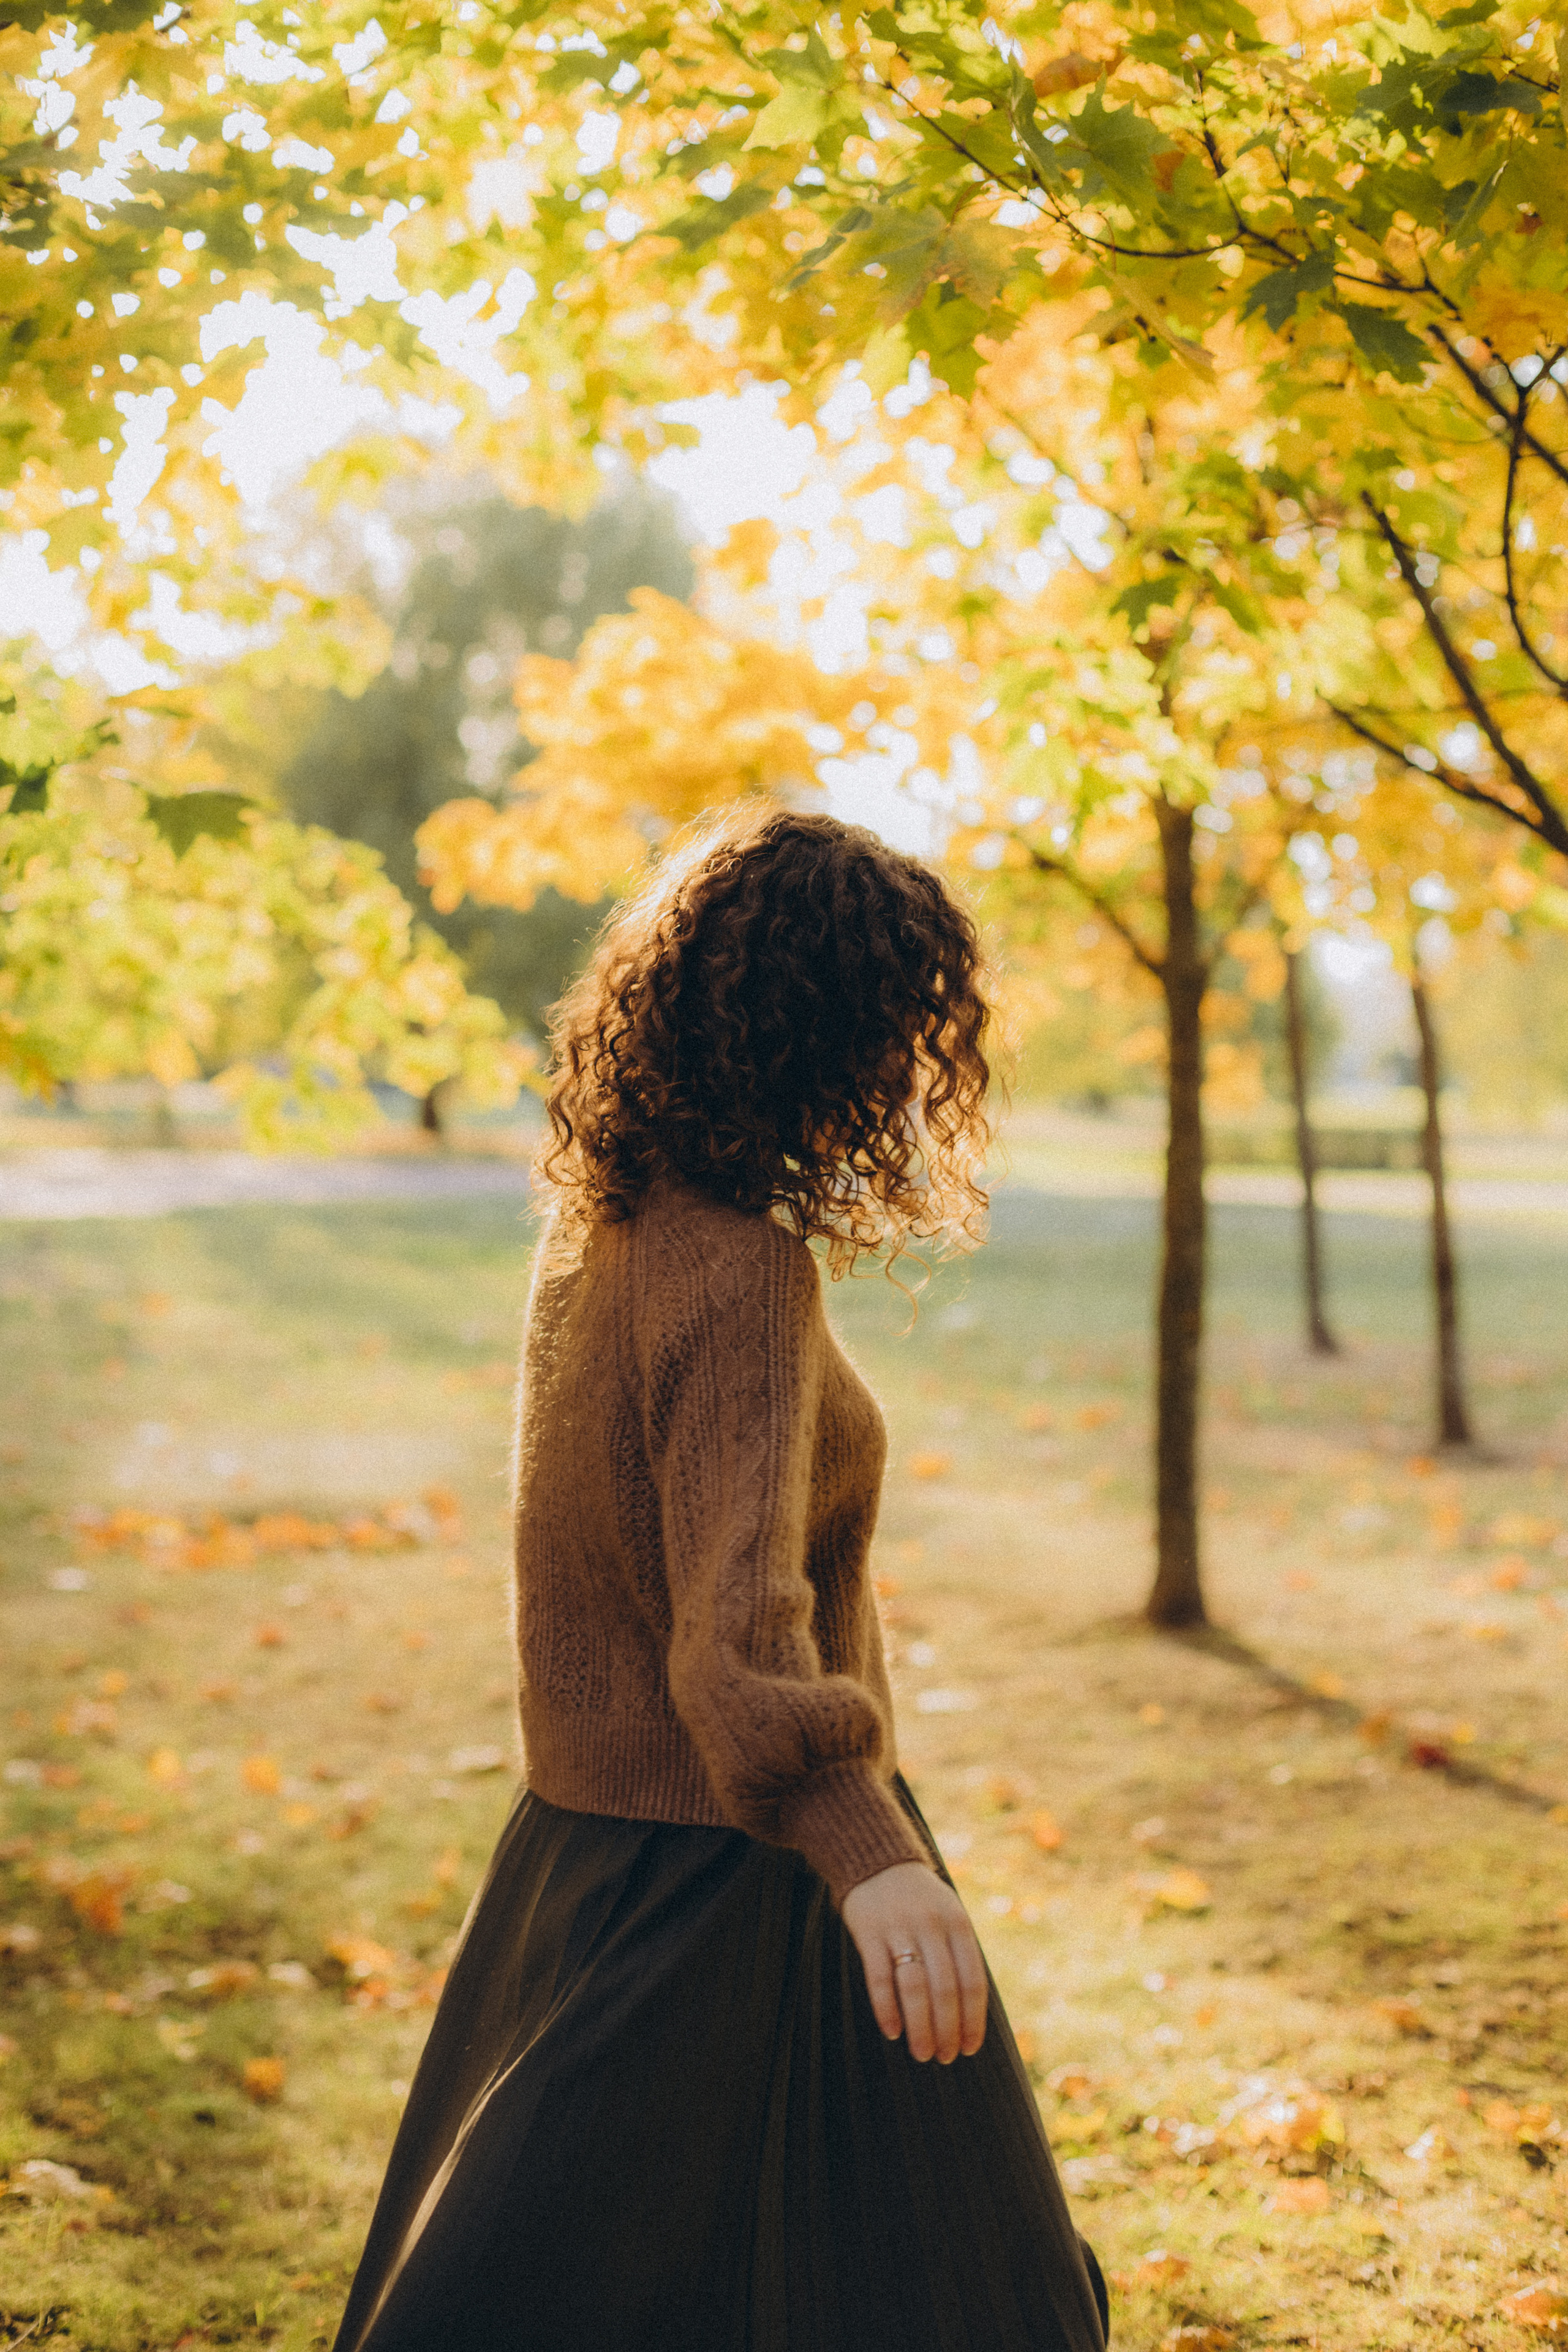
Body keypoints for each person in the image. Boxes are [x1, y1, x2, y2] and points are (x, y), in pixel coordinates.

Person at [332, 807, 1109, 2352]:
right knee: (963, 2298)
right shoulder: (739, 1270)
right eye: (895, 1033)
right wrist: (868, 1849)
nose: (905, 1073)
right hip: (730, 1860)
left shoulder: (599, 1228)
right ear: (825, 1033)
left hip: (589, 1845)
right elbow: (733, 1643)